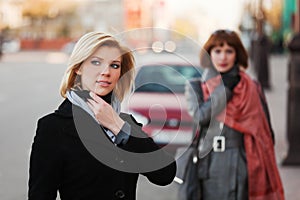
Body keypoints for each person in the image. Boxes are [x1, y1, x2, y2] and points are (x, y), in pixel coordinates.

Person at [28, 31, 176, 200]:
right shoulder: (54, 127)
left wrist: (118, 127)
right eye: (96, 62)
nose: (106, 72)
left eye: (114, 65)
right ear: (78, 68)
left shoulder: (125, 124)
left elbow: (165, 175)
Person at [185, 29, 284, 200]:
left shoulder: (251, 86)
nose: (223, 57)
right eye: (217, 51)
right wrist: (225, 89)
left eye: (229, 51)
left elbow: (266, 132)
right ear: (209, 54)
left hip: (247, 164)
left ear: (237, 55)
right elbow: (201, 116)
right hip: (211, 167)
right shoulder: (196, 87)